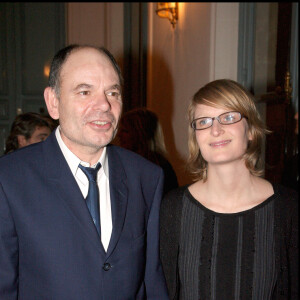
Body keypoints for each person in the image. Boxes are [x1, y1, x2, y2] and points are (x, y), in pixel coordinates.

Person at [0, 44, 169, 299]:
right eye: (84, 91)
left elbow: (153, 282)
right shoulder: (9, 179)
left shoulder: (146, 177)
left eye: (112, 92)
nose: (103, 105)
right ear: (53, 102)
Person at [160, 79, 298, 299]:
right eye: (204, 121)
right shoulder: (173, 208)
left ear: (251, 129)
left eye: (229, 117)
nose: (216, 130)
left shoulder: (288, 208)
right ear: (196, 136)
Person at [116, 107, 178, 195]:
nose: (119, 135)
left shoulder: (158, 168)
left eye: (125, 131)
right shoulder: (121, 162)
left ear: (139, 134)